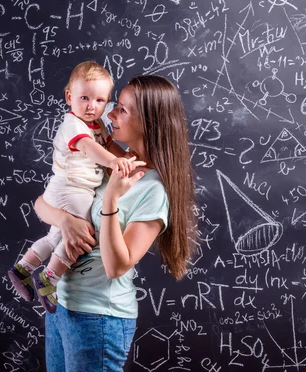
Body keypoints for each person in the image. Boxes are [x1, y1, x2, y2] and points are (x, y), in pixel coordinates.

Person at [33, 75, 198, 371]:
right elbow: (42, 203)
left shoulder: (153, 190)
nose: (109, 114)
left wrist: (110, 201)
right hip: (62, 305)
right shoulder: (110, 161)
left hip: (98, 318)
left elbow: (116, 266)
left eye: (122, 109)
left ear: (148, 121)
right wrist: (66, 221)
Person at [8, 61, 134, 313]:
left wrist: (129, 159)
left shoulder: (96, 125)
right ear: (69, 97)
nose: (91, 106)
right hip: (70, 188)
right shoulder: (73, 125)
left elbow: (110, 147)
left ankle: (23, 267)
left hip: (70, 189)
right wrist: (114, 162)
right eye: (84, 98)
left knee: (57, 235)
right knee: (85, 231)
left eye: (99, 100)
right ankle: (49, 278)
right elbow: (91, 148)